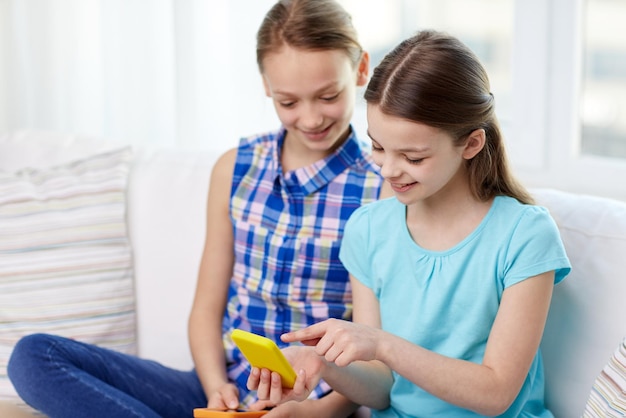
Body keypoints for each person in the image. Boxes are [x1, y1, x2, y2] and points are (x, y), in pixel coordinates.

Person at [7, 1, 387, 417]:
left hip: (308, 404)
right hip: (219, 388)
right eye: (289, 102)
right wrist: (215, 387)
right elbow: (206, 310)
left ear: (361, 70)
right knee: (32, 356)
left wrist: (312, 413)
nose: (311, 117)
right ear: (265, 85)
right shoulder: (235, 168)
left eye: (328, 96)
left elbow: (372, 352)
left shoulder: (379, 187)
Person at [248, 30, 572, 417]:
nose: (388, 169)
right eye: (379, 147)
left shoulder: (524, 234)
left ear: (470, 144)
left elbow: (496, 392)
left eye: (413, 157)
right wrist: (326, 365)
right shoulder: (368, 230)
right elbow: (382, 389)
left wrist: (382, 344)